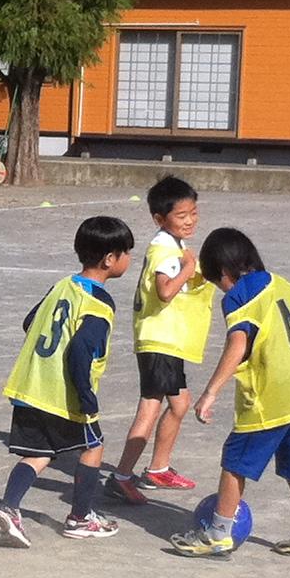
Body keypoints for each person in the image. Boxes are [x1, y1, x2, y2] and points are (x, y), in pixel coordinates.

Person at [169, 227, 290, 559]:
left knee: (235, 462)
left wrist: (210, 391)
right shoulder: (281, 283)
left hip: (269, 396)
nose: (221, 289)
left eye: (218, 282)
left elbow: (239, 342)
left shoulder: (239, 294)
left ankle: (217, 534)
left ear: (225, 273)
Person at [0, 216, 133, 545]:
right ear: (110, 259)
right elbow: (80, 348)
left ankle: (8, 507)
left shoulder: (62, 285)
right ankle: (80, 517)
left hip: (29, 385)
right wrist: (85, 396)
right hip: (61, 392)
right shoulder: (100, 302)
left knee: (40, 453)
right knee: (94, 446)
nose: (129, 259)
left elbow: (30, 321)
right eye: (126, 253)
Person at [111, 174, 215, 505]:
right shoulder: (164, 249)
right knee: (149, 409)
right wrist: (190, 266)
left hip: (168, 341)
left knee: (180, 403)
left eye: (194, 213)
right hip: (158, 340)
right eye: (182, 216)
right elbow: (165, 290)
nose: (190, 221)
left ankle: (158, 468)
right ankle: (122, 475)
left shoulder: (174, 245)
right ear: (160, 219)